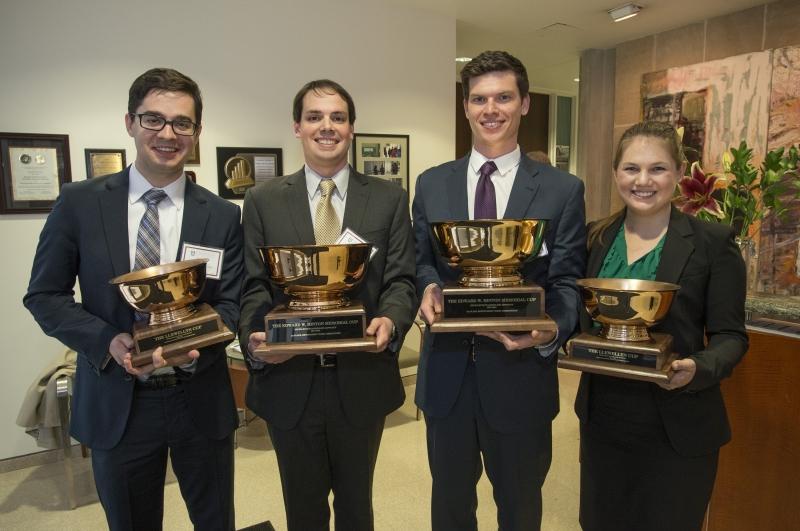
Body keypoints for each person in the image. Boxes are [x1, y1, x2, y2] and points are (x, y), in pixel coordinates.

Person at [23, 68, 242, 531]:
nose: (168, 134)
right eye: (154, 119)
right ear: (130, 122)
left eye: (182, 123)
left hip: (199, 395)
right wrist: (109, 341)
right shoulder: (79, 203)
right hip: (118, 403)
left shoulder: (222, 215)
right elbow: (44, 295)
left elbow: (233, 302)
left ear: (197, 132)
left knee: (216, 521)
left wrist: (197, 340)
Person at [413, 50, 587, 530]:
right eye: (479, 99)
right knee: (449, 510)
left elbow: (568, 280)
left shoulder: (561, 190)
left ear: (525, 103)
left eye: (503, 97)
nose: (491, 109)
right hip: (446, 377)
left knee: (519, 510)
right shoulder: (431, 184)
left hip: (520, 376)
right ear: (466, 106)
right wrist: (427, 287)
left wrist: (551, 330)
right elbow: (421, 261)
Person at [239, 79, 417, 531]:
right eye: (315, 117)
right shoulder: (262, 201)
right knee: (303, 510)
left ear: (352, 128)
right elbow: (254, 286)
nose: (327, 126)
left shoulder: (390, 198)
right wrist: (256, 340)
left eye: (338, 117)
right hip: (289, 380)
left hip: (360, 379)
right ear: (297, 127)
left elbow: (400, 280)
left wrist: (391, 322)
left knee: (358, 507)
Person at [574, 121, 748, 531]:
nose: (643, 181)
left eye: (658, 169)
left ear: (679, 172)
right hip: (606, 421)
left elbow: (731, 336)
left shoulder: (713, 242)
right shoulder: (594, 239)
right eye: (631, 168)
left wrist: (698, 368)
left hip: (678, 423)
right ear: (616, 172)